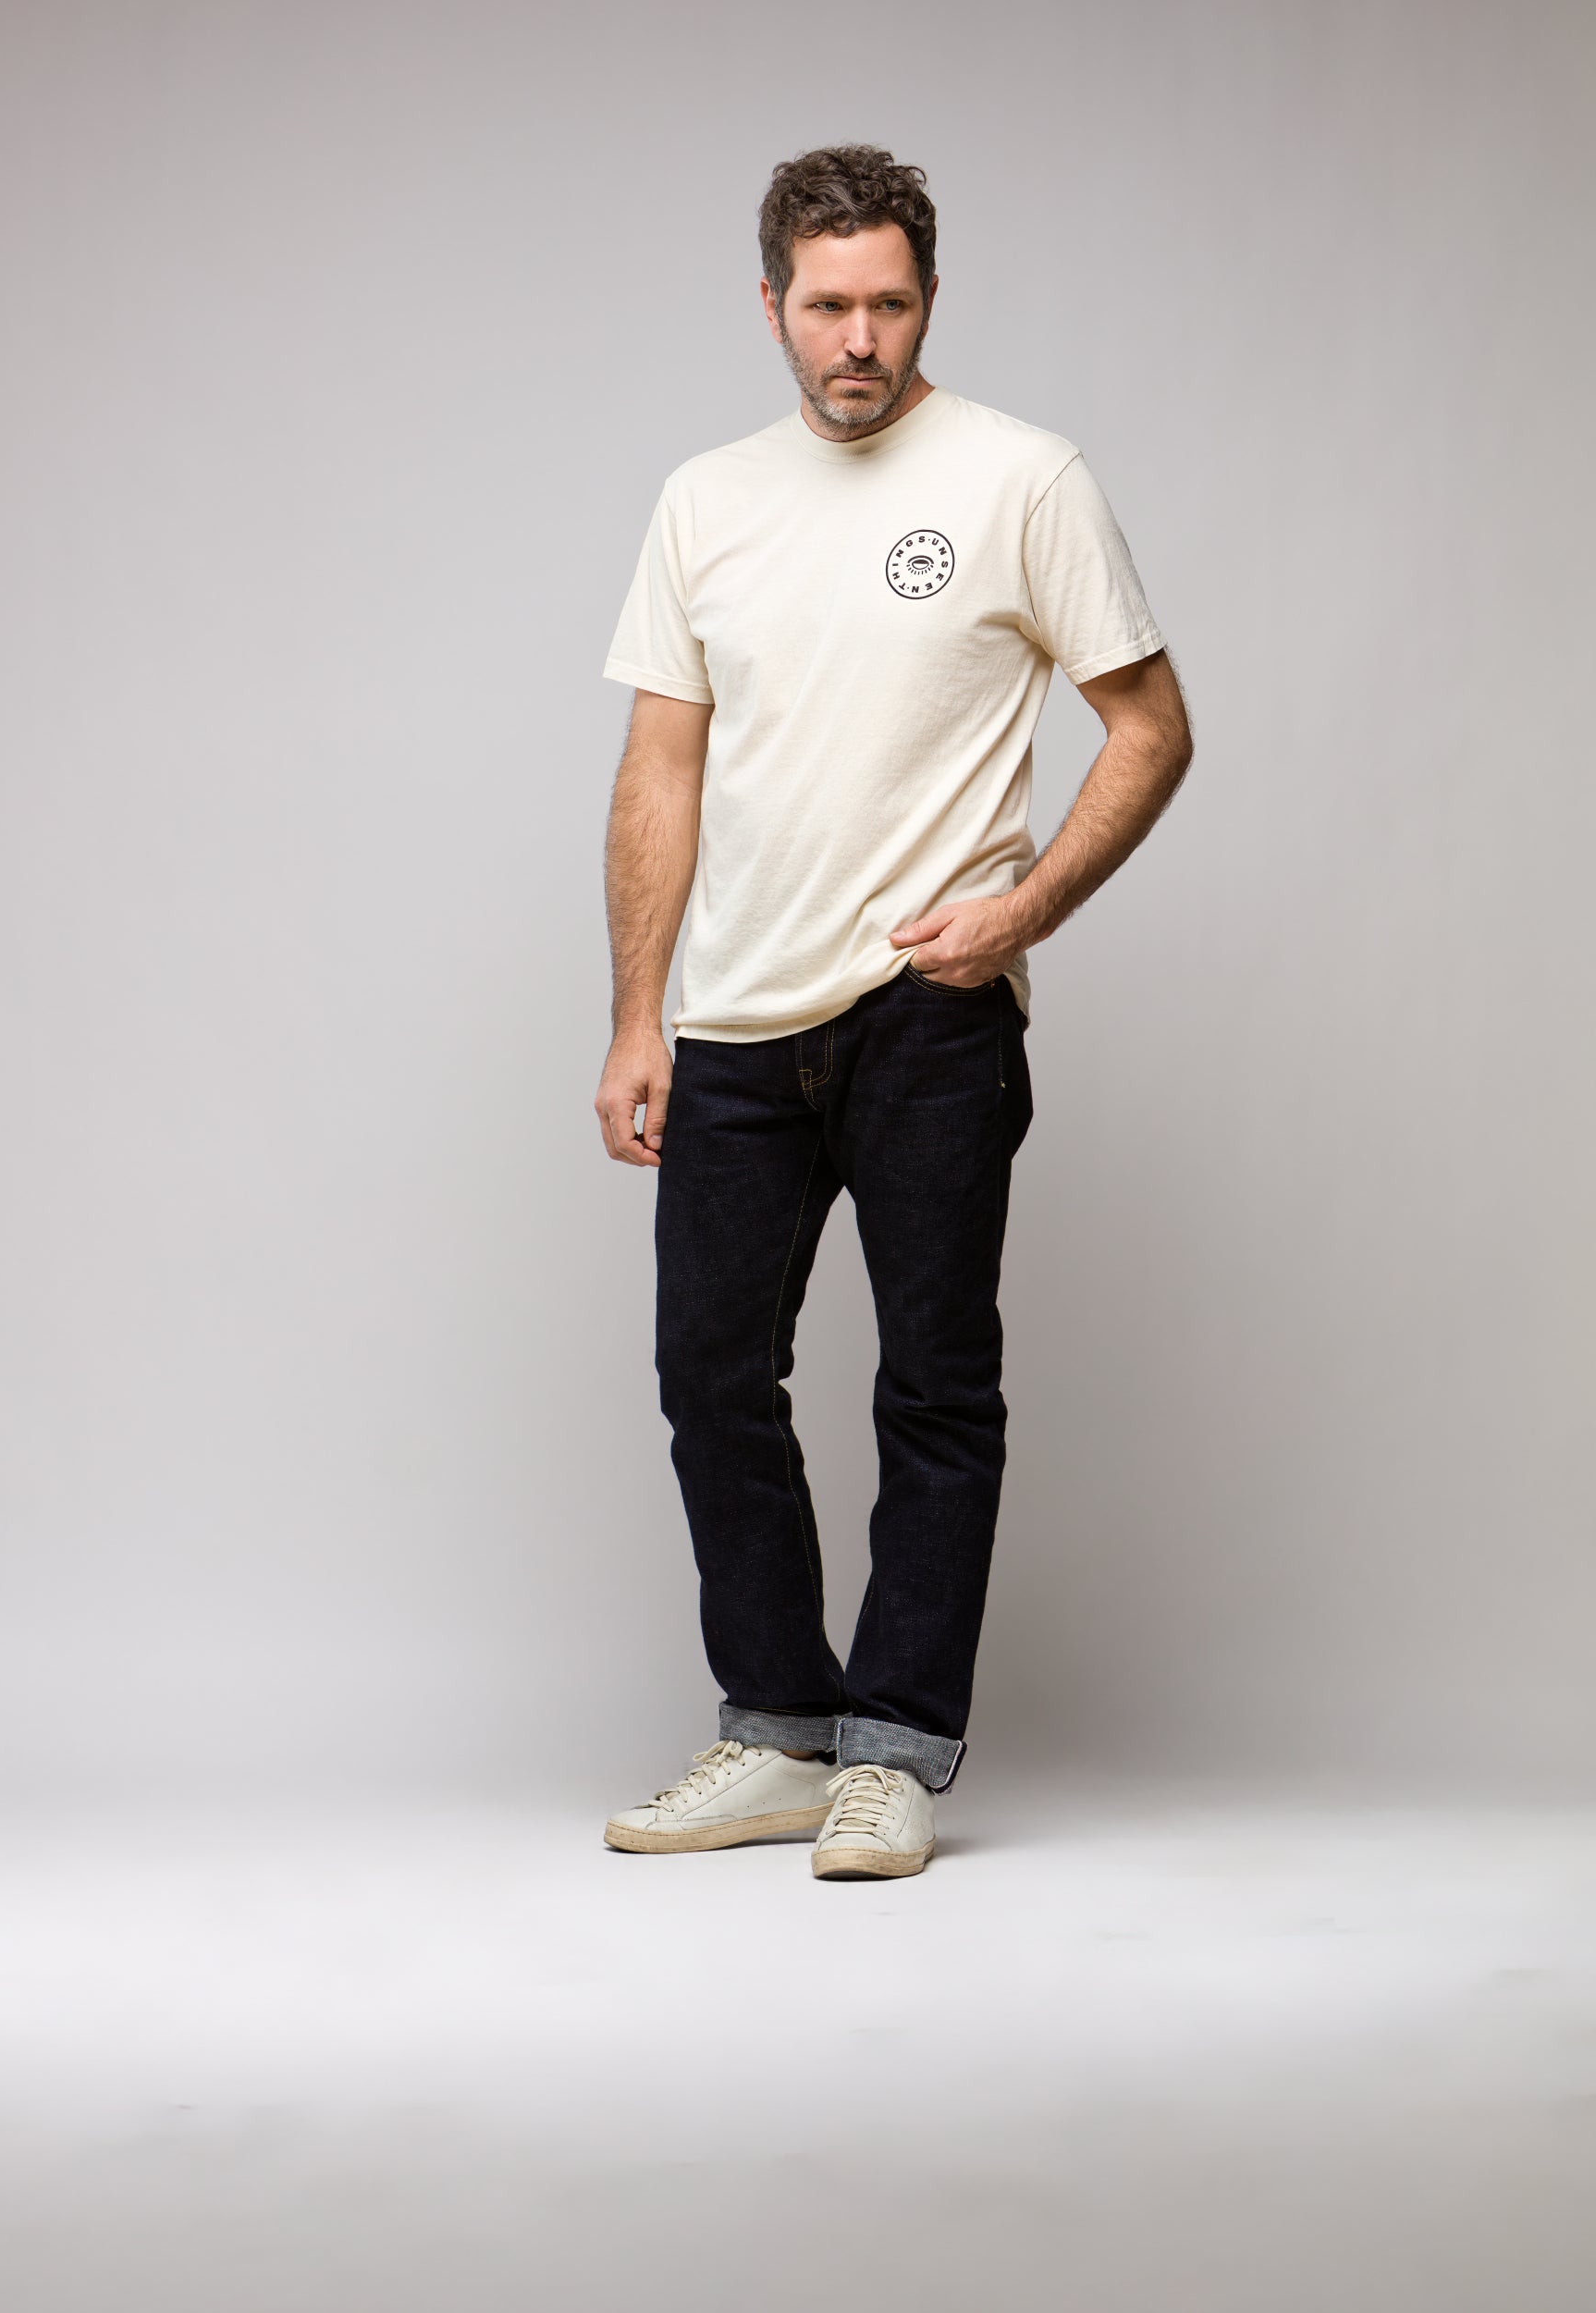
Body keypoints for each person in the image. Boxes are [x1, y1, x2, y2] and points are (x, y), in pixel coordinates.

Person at [594, 146, 1193, 1879]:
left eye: (891, 303)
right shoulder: (705, 500)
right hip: (735, 1019)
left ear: (930, 297)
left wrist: (1018, 912)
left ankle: (897, 1748)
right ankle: (776, 1728)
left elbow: (1150, 726)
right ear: (770, 302)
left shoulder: (1022, 478)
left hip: (931, 1015)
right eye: (827, 304)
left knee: (936, 1384)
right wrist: (641, 1014)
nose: (858, 338)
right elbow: (658, 769)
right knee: (712, 1370)